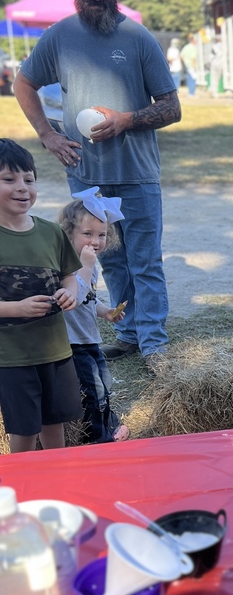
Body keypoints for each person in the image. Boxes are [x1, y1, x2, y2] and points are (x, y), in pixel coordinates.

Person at [12, 0, 181, 369]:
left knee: (145, 260)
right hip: (86, 177)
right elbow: (23, 83)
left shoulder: (138, 38)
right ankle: (126, 334)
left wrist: (126, 119)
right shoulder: (60, 37)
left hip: (137, 173)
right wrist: (48, 135)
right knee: (110, 258)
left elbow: (172, 107)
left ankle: (154, 344)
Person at [0, 140, 82, 453]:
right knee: (23, 430)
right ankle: (22, 486)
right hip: (12, 358)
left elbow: (69, 276)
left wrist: (69, 293)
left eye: (29, 180)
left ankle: (57, 478)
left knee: (54, 423)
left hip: (55, 351)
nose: (22, 188)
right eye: (9, 180)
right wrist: (16, 308)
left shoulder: (51, 232)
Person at [58, 188, 130, 443]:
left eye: (101, 234)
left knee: (104, 383)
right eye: (87, 234)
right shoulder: (66, 266)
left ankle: (107, 424)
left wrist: (106, 312)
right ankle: (97, 438)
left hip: (90, 339)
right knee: (92, 391)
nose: (95, 241)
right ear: (69, 233)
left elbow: (88, 300)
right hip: (73, 343)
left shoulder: (90, 266)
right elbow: (74, 298)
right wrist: (86, 266)